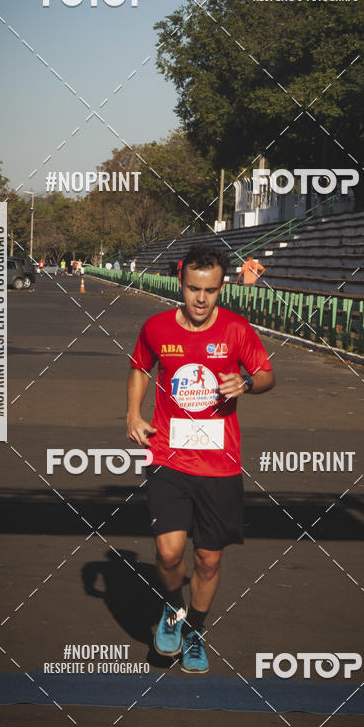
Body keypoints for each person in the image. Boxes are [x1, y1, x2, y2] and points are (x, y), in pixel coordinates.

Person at [127, 246, 275, 674]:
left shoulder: (237, 329)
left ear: (221, 287)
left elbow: (266, 375)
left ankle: (194, 631)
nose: (201, 299)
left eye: (210, 290)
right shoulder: (156, 327)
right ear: (181, 283)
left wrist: (246, 383)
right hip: (168, 456)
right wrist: (133, 414)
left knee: (208, 560)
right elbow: (140, 367)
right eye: (194, 289)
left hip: (219, 464)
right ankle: (173, 610)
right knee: (169, 552)